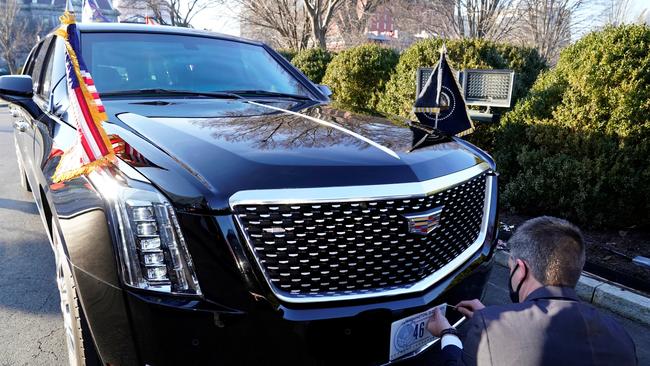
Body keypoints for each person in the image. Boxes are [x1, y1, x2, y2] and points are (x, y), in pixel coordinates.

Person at [427, 216, 638, 366]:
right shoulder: (621, 338)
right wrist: (492, 319)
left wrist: (448, 334)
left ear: (520, 269)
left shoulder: (489, 330)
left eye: (510, 269)